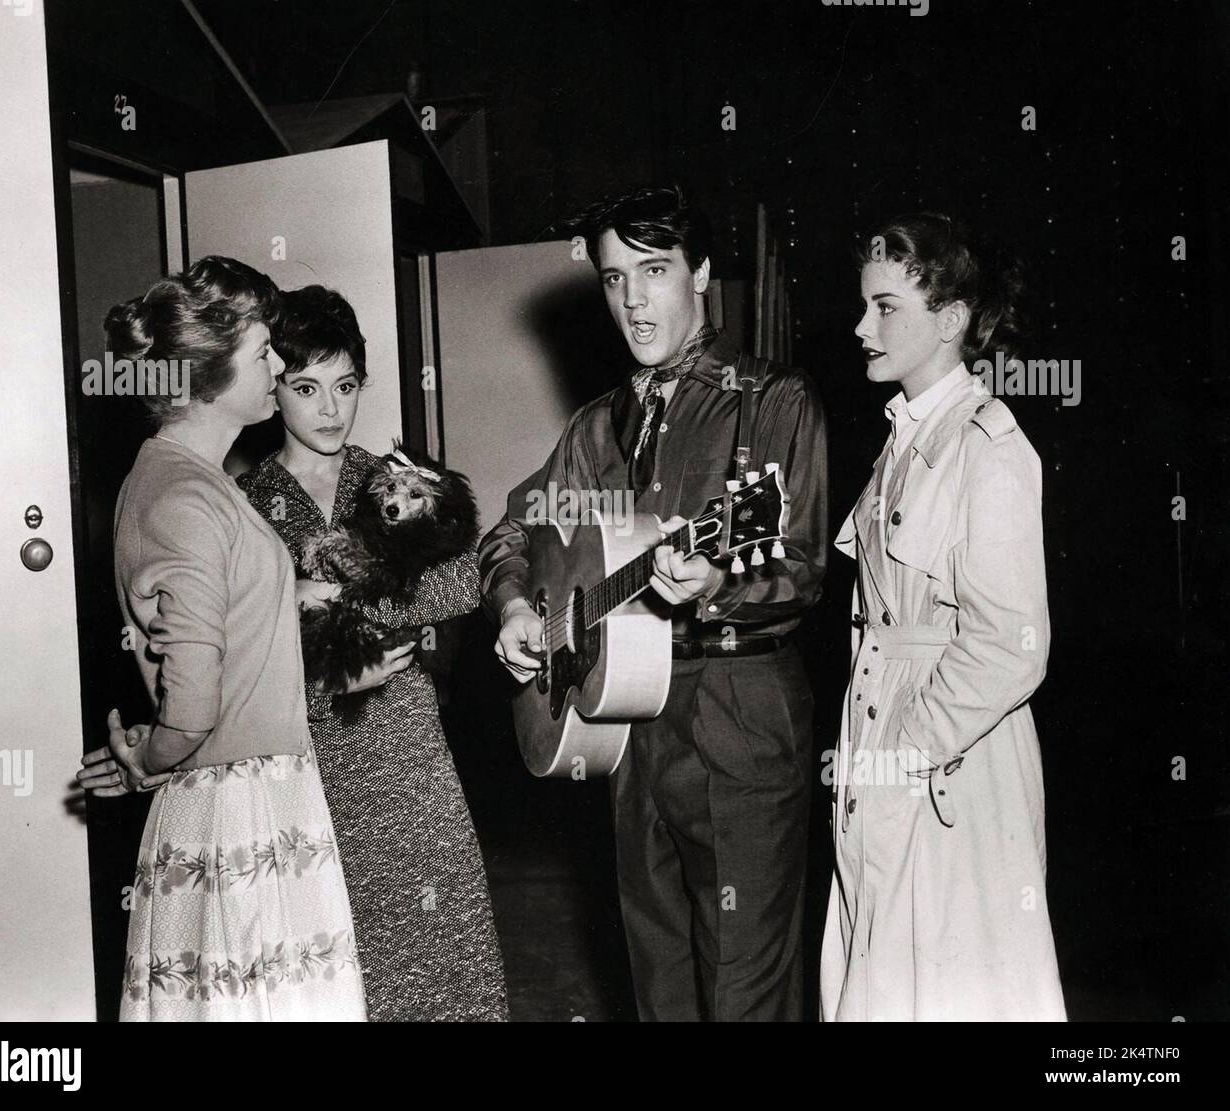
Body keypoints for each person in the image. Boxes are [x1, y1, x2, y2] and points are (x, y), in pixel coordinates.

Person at [479, 185, 828, 1021]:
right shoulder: (596, 429)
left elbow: (806, 565)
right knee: (658, 989)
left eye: (654, 269)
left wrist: (720, 586)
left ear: (701, 272)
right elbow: (512, 530)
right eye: (612, 278)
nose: (632, 299)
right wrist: (514, 607)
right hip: (626, 733)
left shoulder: (772, 401)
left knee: (746, 993)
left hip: (738, 722)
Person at [75, 256, 368, 1020]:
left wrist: (286, 596)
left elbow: (209, 617)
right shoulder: (184, 496)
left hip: (253, 791)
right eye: (265, 351)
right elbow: (192, 703)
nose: (278, 366)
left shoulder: (183, 478)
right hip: (240, 807)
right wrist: (149, 754)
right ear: (209, 371)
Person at [236, 284, 509, 1022]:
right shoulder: (248, 502)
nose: (329, 408)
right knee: (331, 976)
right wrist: (331, 665)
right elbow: (239, 650)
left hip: (408, 750)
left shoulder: (388, 473)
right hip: (303, 762)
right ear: (273, 388)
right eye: (305, 387)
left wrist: (338, 596)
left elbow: (463, 577)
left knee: (442, 965)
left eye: (345, 385)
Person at [820, 213, 1066, 1021]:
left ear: (952, 320)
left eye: (885, 307)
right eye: (864, 306)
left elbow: (1011, 646)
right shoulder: (903, 439)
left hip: (950, 775)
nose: (862, 326)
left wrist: (908, 749)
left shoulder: (987, 446)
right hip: (882, 764)